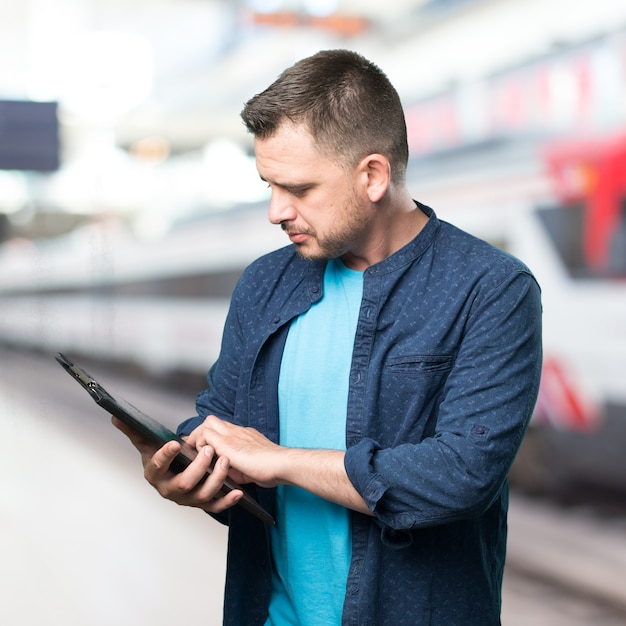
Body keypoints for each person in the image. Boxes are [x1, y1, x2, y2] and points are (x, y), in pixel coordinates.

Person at [115, 49, 542, 625]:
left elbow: (461, 477)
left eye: (299, 188)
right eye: (268, 184)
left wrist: (279, 462)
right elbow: (218, 420)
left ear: (373, 175)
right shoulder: (264, 284)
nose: (275, 211)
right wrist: (191, 470)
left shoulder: (490, 288)